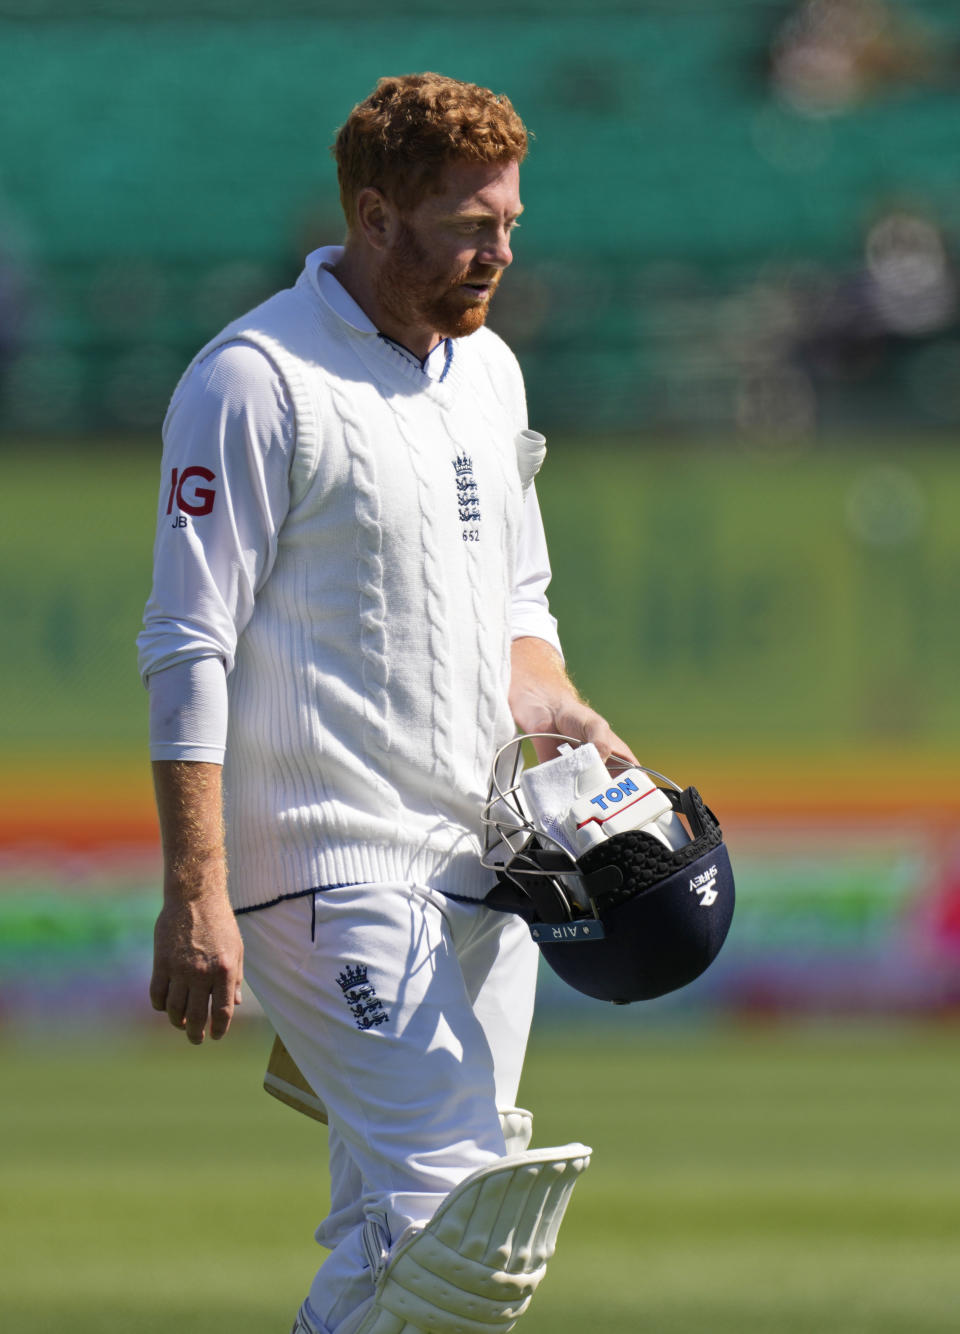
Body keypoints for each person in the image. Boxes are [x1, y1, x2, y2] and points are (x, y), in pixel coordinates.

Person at [138, 72, 634, 1334]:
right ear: (374, 215)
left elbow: (518, 593)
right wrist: (195, 887)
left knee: (399, 1249)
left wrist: (558, 703)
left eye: (510, 221)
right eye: (473, 225)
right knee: (469, 1222)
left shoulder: (492, 372)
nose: (502, 251)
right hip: (327, 867)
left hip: (486, 859)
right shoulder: (254, 380)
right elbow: (186, 643)